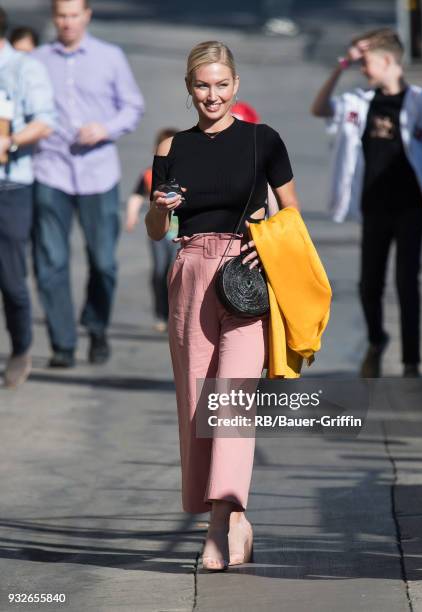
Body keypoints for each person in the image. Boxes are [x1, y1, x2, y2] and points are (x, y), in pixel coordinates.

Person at [145, 40, 300, 571]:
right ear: (190, 90)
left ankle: (217, 525)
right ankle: (235, 518)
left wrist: (265, 243)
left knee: (231, 401)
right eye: (202, 85)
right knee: (196, 404)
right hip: (190, 272)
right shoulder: (171, 147)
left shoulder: (264, 140)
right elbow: (156, 227)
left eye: (221, 84)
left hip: (246, 276)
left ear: (236, 86)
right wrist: (159, 209)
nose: (212, 95)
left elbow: (291, 213)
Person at [311, 28, 422, 378]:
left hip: (411, 208)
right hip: (374, 207)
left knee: (406, 283)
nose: (363, 69)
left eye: (367, 63)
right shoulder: (359, 102)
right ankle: (376, 339)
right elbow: (320, 108)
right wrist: (341, 65)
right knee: (368, 284)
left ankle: (411, 363)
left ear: (388, 61)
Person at [32, 0, 145, 368]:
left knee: (103, 262)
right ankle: (62, 344)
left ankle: (96, 328)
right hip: (50, 170)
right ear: (54, 18)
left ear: (87, 16)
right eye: (61, 16)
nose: (67, 22)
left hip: (98, 173)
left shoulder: (109, 57)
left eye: (74, 15)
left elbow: (132, 106)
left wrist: (105, 128)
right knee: (51, 262)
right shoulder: (37, 60)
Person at [0, 6, 55, 387]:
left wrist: (11, 139)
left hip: (11, 184)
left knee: (10, 277)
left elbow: (44, 121)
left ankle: (21, 348)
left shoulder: (23, 68)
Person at [125, 128, 179, 333]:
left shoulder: (187, 172)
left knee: (175, 273)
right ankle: (160, 313)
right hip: (158, 234)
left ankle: (175, 311)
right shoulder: (149, 174)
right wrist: (131, 215)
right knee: (159, 272)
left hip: (180, 235)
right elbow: (137, 196)